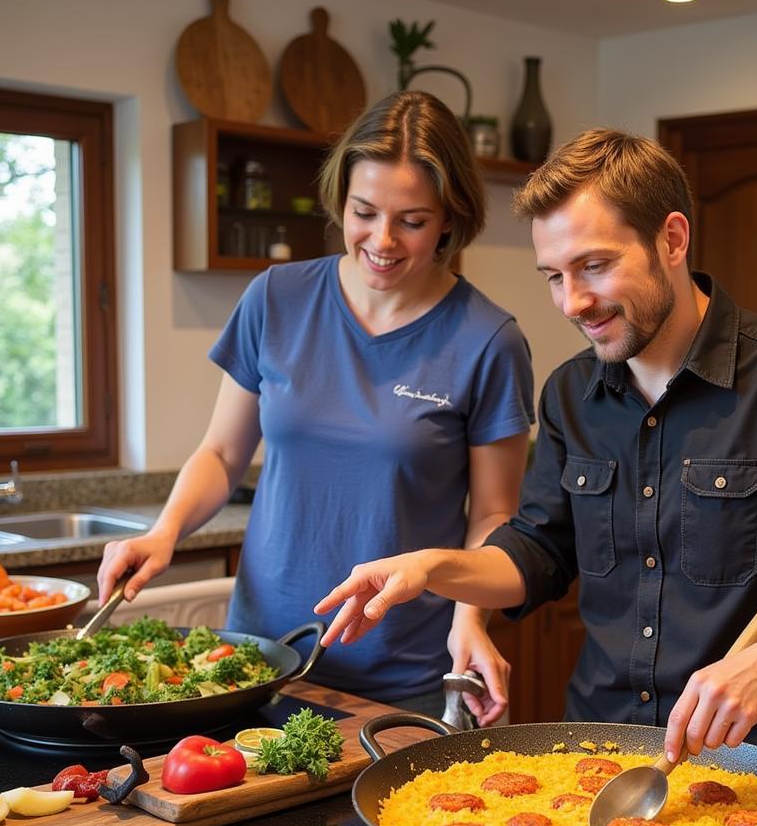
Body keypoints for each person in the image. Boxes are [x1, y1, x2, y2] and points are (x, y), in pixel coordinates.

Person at [314, 128, 757, 772]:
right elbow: (537, 550)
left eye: (594, 265)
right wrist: (432, 567)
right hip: (594, 758)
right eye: (554, 277)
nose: (573, 302)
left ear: (672, 239)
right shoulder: (569, 394)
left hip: (756, 771)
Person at [97, 92, 535, 725]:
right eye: (364, 212)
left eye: (412, 220)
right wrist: (164, 531)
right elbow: (222, 453)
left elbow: (495, 512)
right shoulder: (276, 298)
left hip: (402, 673)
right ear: (341, 201)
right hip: (258, 660)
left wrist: (469, 619)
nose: (381, 240)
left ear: (449, 219)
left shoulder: (487, 339)